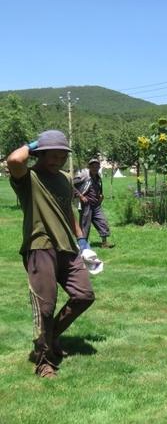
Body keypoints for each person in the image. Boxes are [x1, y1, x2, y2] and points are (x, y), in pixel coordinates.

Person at [7, 130, 96, 378]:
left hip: (68, 247)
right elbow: (14, 160)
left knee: (84, 296)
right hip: (40, 246)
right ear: (39, 153)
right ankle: (44, 361)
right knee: (45, 307)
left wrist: (83, 242)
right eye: (51, 154)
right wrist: (36, 143)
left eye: (62, 154)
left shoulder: (66, 179)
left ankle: (52, 335)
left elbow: (68, 211)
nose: (57, 158)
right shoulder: (28, 177)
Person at [75, 158, 114, 249]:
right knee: (85, 225)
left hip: (96, 205)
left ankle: (104, 243)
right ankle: (83, 245)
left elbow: (97, 188)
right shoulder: (84, 175)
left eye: (97, 166)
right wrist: (81, 196)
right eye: (93, 166)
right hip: (86, 205)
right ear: (89, 167)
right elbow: (71, 185)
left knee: (102, 222)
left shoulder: (98, 176)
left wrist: (100, 195)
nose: (95, 168)